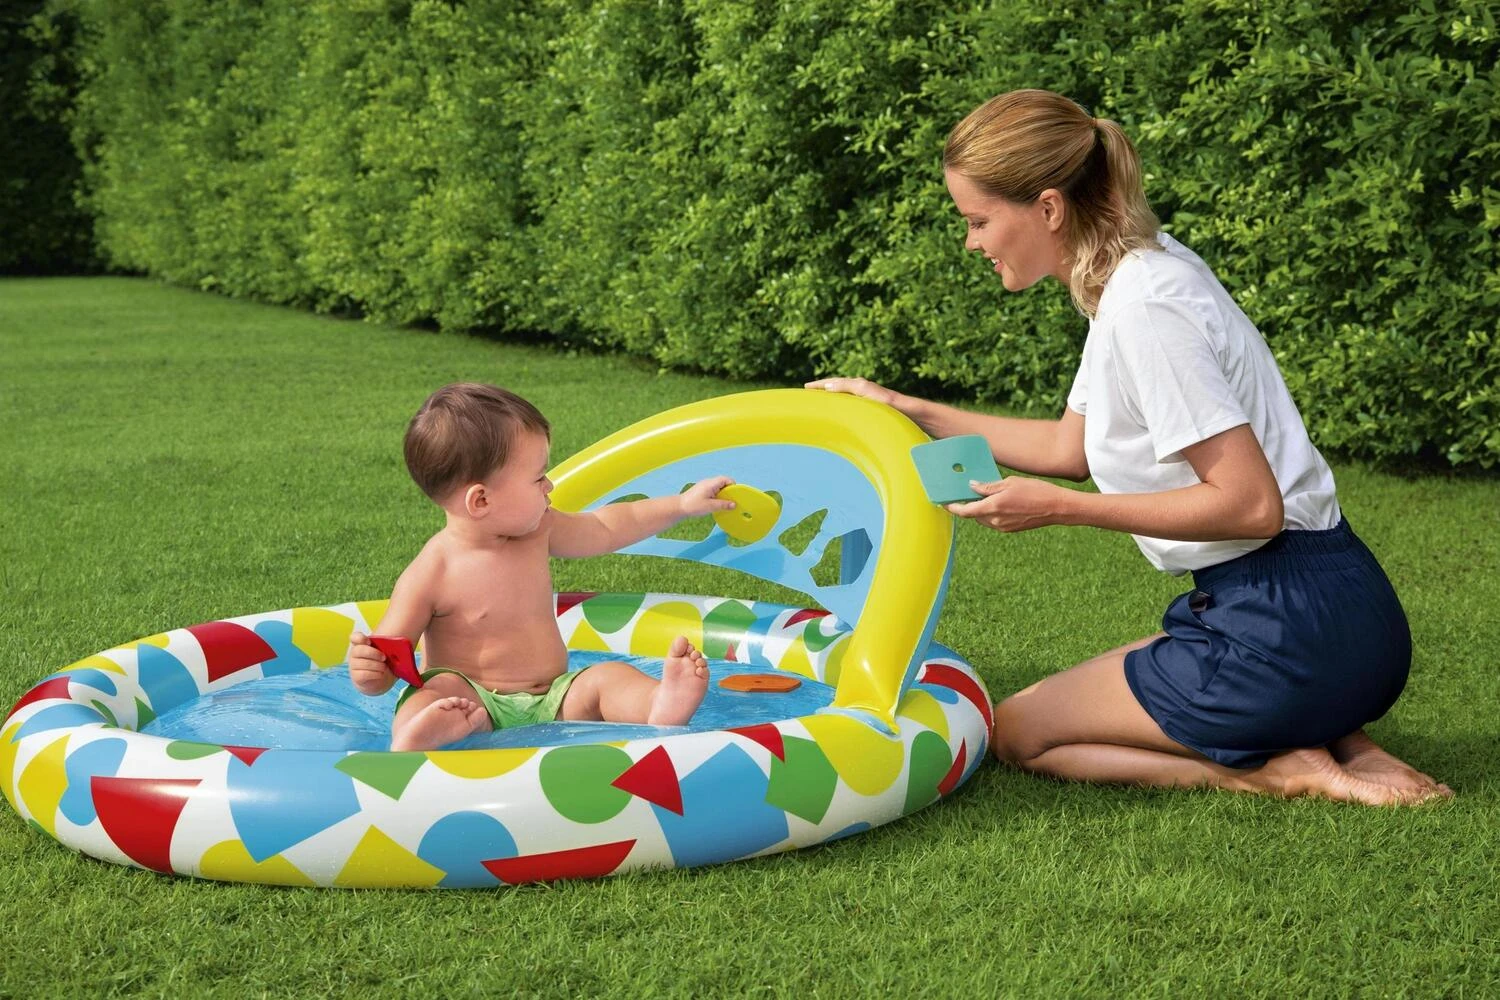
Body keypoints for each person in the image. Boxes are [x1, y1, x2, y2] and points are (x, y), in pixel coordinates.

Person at [808, 89, 1450, 805]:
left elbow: (1251, 506)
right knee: (1088, 693)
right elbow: (1068, 447)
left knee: (1018, 732)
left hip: (1282, 630)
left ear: (1048, 208)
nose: (972, 242)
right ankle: (1338, 731)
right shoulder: (1138, 274)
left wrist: (1062, 509)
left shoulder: (1146, 308)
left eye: (978, 220)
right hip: (1342, 614)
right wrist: (906, 407)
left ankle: (1280, 770)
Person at [346, 382, 734, 751]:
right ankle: (421, 731)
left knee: (606, 679)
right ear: (481, 501)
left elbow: (608, 527)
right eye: (538, 478)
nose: (549, 486)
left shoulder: (539, 530)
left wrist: (681, 505)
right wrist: (370, 674)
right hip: (471, 701)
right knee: (435, 692)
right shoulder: (433, 571)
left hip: (554, 699)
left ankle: (658, 704)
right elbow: (389, 657)